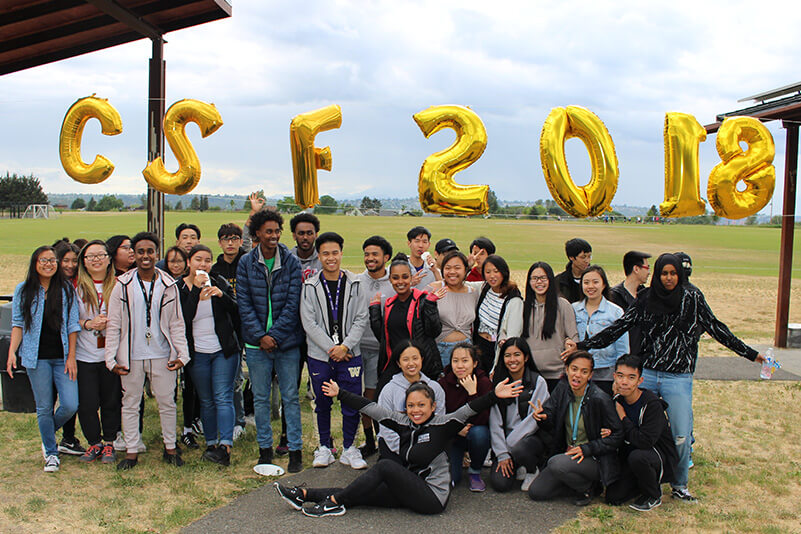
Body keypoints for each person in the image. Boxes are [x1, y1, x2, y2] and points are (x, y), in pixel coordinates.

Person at [564, 253, 767, 501]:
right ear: (657, 275)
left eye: (673, 273)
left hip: (678, 377)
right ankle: (633, 479)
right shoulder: (646, 298)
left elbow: (716, 328)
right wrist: (583, 345)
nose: (668, 278)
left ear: (679, 275)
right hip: (647, 374)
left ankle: (680, 484)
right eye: (663, 273)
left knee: (681, 433)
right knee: (630, 427)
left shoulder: (692, 298)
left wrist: (751, 354)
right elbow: (618, 328)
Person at [275, 376, 524, 517]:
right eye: (411, 406)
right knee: (360, 492)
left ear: (433, 406)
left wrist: (494, 395)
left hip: (432, 499)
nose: (416, 410)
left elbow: (470, 409)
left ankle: (333, 502)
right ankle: (304, 495)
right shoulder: (402, 422)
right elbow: (370, 407)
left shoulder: (443, 424)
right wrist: (340, 394)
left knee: (385, 466)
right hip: (409, 489)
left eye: (422, 405)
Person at [105, 231, 189, 470]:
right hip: (131, 355)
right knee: (130, 403)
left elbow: (176, 323)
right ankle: (132, 451)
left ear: (156, 253)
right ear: (134, 254)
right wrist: (111, 358)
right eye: (140, 251)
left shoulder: (169, 284)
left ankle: (170, 447)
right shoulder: (122, 285)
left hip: (162, 354)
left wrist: (182, 354)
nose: (145, 256)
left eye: (150, 251)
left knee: (167, 403)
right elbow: (114, 324)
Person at [237, 209, 304, 472]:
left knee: (291, 397)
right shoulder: (246, 263)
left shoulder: (291, 262)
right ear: (257, 233)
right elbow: (244, 304)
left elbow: (292, 303)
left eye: (277, 231)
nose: (274, 235)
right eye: (268, 231)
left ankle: (295, 450)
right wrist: (260, 336)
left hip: (286, 343)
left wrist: (274, 336)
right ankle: (264, 450)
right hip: (256, 345)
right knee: (261, 398)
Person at [7, 246, 80, 473]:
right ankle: (51, 453)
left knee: (70, 404)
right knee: (44, 407)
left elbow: (73, 325)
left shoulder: (66, 289)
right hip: (36, 358)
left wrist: (71, 356)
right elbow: (18, 323)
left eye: (52, 260)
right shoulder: (23, 289)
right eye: (43, 260)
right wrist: (12, 352)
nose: (48, 264)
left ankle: (47, 433)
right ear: (35, 263)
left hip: (62, 357)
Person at [301, 232, 369, 470]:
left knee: (351, 401)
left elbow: (361, 318)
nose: (331, 258)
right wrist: (333, 349)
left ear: (341, 253)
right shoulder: (310, 286)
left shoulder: (356, 283)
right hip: (321, 356)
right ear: (318, 256)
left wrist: (345, 346)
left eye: (335, 253)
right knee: (322, 401)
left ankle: (350, 448)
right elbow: (309, 323)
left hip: (350, 354)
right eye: (325, 254)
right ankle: (323, 447)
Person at [528, 351, 622, 506]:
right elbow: (549, 415)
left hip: (592, 457)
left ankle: (588, 487)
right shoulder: (562, 389)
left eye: (584, 372)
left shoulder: (600, 398)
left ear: (590, 375)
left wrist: (587, 449)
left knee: (556, 464)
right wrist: (542, 418)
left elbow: (617, 435)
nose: (577, 375)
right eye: (574, 369)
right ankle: (573, 483)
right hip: (568, 453)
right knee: (537, 492)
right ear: (567, 369)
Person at [178, 245, 241, 466]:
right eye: (198, 260)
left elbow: (236, 308)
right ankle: (211, 443)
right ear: (189, 262)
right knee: (206, 400)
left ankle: (225, 446)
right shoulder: (179, 287)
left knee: (223, 396)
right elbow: (183, 317)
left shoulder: (219, 281)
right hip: (197, 354)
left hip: (223, 350)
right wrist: (196, 290)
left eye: (207, 260)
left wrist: (221, 295)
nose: (203, 264)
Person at [604, 354, 679, 511]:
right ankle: (641, 484)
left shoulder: (651, 404)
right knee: (613, 497)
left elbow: (644, 441)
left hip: (655, 455)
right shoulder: (617, 400)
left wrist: (623, 417)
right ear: (614, 377)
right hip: (630, 456)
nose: (624, 382)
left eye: (631, 377)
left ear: (640, 381)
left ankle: (653, 495)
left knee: (638, 456)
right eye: (620, 376)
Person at [74, 240, 121, 464]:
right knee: (87, 403)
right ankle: (94, 442)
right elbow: (69, 321)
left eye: (100, 255)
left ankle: (110, 441)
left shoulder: (119, 285)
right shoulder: (75, 288)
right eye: (90, 256)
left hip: (111, 355)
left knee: (111, 400)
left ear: (109, 259)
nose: (96, 260)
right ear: (83, 261)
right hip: (85, 355)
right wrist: (89, 324)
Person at [370, 253, 444, 392]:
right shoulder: (389, 304)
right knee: (381, 397)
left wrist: (430, 306)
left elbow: (434, 332)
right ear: (390, 279)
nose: (400, 282)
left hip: (419, 366)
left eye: (405, 277)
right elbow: (383, 336)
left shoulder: (422, 300)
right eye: (395, 278)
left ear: (411, 278)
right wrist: (374, 311)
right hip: (396, 364)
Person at [488, 337, 551, 493]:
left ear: (526, 357)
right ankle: (517, 465)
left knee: (520, 449)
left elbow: (533, 421)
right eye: (507, 355)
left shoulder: (538, 382)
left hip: (528, 441)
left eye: (517, 355)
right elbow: (495, 422)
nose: (512, 360)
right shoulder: (499, 383)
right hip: (505, 445)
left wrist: (511, 444)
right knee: (500, 484)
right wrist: (502, 454)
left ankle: (531, 469)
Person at [356, 235, 394, 457]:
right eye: (367, 254)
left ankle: (382, 440)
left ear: (386, 257)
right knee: (359, 396)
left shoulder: (394, 281)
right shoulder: (356, 281)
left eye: (375, 254)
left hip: (381, 350)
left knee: (374, 395)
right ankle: (368, 439)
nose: (370, 258)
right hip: (356, 347)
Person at [210, 223, 248, 441]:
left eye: (234, 238)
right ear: (220, 243)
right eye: (226, 239)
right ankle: (227, 419)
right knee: (227, 379)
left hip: (246, 327)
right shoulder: (215, 270)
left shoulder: (248, 264)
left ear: (241, 241)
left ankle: (239, 421)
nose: (230, 243)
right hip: (225, 329)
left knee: (238, 380)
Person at [377, 340, 446, 459]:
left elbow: (439, 422)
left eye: (415, 358)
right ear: (398, 363)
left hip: (426, 445)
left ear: (422, 359)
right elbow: (385, 426)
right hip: (396, 446)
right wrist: (405, 450)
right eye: (405, 359)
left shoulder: (435, 387)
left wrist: (425, 447)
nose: (411, 363)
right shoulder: (389, 390)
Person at [438, 342, 493, 491]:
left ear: (474, 363)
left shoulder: (483, 383)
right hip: (453, 436)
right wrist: (456, 428)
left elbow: (483, 419)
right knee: (453, 479)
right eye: (455, 361)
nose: (460, 366)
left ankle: (475, 471)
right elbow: (440, 416)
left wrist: (472, 394)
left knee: (480, 434)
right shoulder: (443, 383)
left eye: (465, 361)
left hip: (474, 432)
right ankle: (457, 462)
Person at [163, 245, 200, 448]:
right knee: (179, 390)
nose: (176, 265)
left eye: (179, 261)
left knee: (194, 388)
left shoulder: (208, 282)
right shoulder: (173, 287)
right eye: (172, 261)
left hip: (198, 343)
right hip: (176, 344)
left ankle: (193, 424)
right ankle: (183, 429)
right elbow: (183, 316)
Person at [522, 261, 578, 392]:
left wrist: (570, 345)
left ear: (550, 280)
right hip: (531, 375)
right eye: (535, 278)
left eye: (543, 278)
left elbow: (573, 337)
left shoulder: (563, 305)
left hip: (557, 374)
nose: (539, 282)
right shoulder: (523, 307)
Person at [572, 265, 628, 396]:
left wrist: (619, 377)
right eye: (586, 282)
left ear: (604, 285)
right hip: (580, 373)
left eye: (595, 282)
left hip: (606, 373)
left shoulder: (615, 312)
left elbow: (623, 349)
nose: (590, 286)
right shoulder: (573, 309)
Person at [53, 240, 85, 456]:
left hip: (75, 347)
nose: (71, 265)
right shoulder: (48, 283)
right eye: (66, 260)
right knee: (52, 400)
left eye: (75, 261)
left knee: (70, 399)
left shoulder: (79, 283)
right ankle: (55, 437)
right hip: (52, 349)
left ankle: (67, 437)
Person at [472, 255, 523, 373]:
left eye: (496, 271)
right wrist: (469, 266)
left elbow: (513, 333)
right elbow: (462, 284)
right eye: (488, 272)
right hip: (479, 345)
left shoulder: (514, 299)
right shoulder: (484, 288)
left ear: (504, 272)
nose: (492, 276)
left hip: (497, 348)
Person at [434, 250, 482, 368]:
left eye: (457, 268)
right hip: (441, 349)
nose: (452, 272)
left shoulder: (473, 292)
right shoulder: (434, 289)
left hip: (467, 350)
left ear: (465, 270)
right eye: (448, 268)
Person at [608, 251, 650, 354]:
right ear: (636, 269)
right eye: (647, 268)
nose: (649, 272)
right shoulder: (614, 297)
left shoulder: (646, 295)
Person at [554, 238, 592, 303]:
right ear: (571, 257)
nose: (587, 261)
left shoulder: (596, 278)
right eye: (583, 257)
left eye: (589, 256)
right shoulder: (559, 281)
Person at [289, 212, 322, 281]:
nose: (305, 237)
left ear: (316, 235)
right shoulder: (287, 259)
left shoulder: (323, 259)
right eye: (301, 233)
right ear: (294, 236)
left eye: (309, 233)